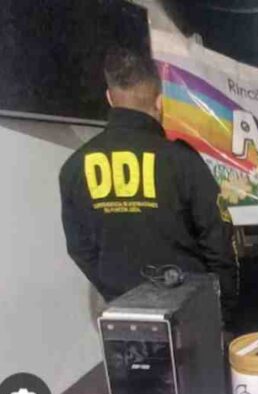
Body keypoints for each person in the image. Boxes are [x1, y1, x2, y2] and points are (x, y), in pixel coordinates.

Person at [59, 47, 238, 324]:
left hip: (122, 317)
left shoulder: (74, 167)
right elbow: (218, 241)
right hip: (188, 314)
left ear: (110, 98)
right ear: (159, 102)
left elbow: (80, 249)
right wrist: (223, 307)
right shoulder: (182, 161)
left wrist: (118, 292)